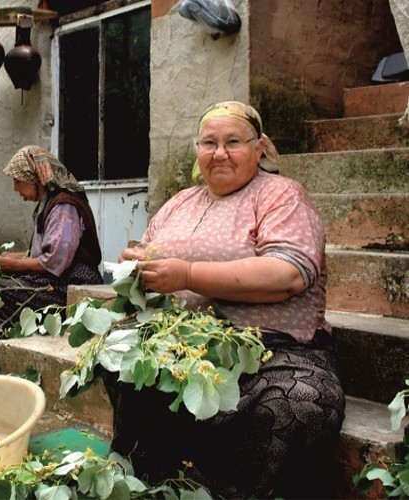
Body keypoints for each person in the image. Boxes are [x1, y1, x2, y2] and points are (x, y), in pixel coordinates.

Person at [112, 101, 345, 498]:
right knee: (122, 359)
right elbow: (145, 251)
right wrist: (136, 265)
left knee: (303, 404)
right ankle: (160, 483)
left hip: (272, 350)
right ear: (198, 150)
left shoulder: (280, 195)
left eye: (233, 142)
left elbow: (289, 273)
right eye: (209, 142)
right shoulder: (180, 202)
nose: (219, 153)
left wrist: (187, 275)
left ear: (259, 149)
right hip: (186, 345)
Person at [0, 145, 103, 350]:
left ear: (33, 177)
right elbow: (43, 253)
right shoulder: (49, 203)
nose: (16, 189)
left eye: (17, 181)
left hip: (71, 284)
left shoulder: (64, 206)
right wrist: (10, 258)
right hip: (57, 279)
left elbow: (54, 262)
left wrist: (10, 265)